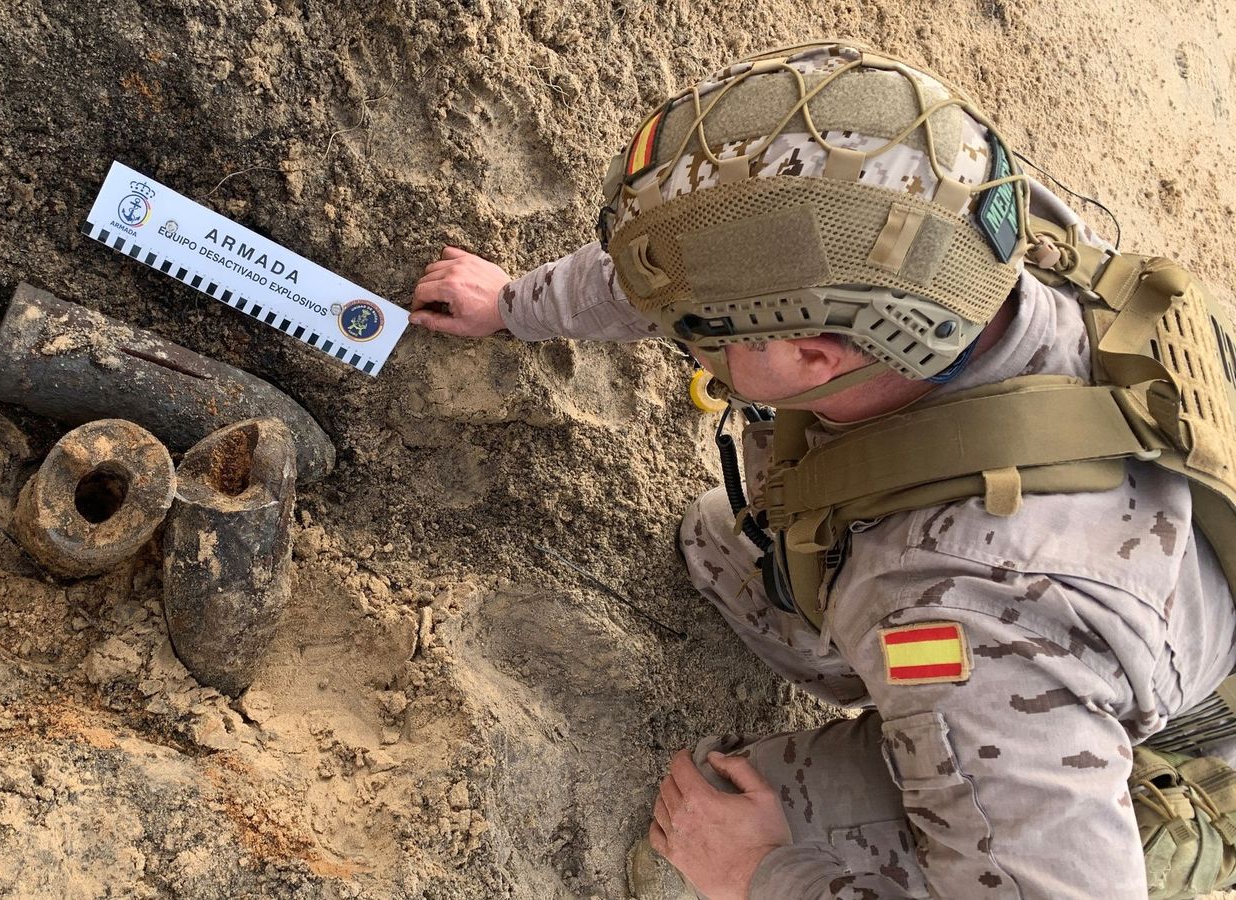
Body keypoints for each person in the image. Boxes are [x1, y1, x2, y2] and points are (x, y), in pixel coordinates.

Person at [409, 42, 1236, 899]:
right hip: (1125, 591)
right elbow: (714, 254)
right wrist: (514, 306)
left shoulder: (974, 616)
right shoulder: (956, 234)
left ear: (814, 355)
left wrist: (765, 872)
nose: (686, 338)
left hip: (1159, 740)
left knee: (719, 812)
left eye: (702, 336)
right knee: (722, 547)